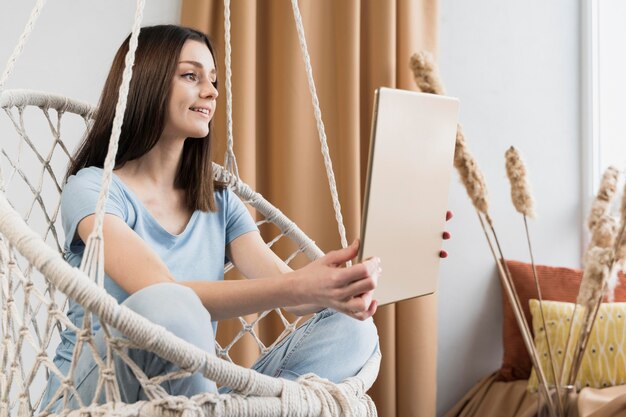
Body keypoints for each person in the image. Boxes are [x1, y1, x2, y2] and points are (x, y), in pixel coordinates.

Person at [40, 24, 451, 412]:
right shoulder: (93, 188)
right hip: (98, 395)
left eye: (213, 80)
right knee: (171, 303)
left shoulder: (218, 203)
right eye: (191, 76)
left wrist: (354, 275)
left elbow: (292, 295)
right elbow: (160, 291)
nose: (211, 91)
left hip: (193, 398)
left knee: (352, 330)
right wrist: (293, 287)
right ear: (146, 80)